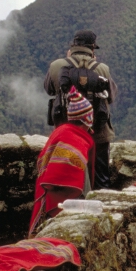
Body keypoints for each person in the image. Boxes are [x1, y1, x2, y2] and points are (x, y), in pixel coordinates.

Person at [44, 29, 117, 190]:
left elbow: (49, 89)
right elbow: (110, 97)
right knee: (101, 178)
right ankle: (101, 208)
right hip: (98, 132)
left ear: (73, 46)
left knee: (67, 175)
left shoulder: (56, 66)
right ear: (92, 49)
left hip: (66, 132)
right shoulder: (102, 68)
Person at [29, 87, 96, 237]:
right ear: (87, 119)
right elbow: (74, 175)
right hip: (62, 197)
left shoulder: (61, 131)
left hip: (47, 192)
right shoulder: (76, 140)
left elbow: (43, 159)